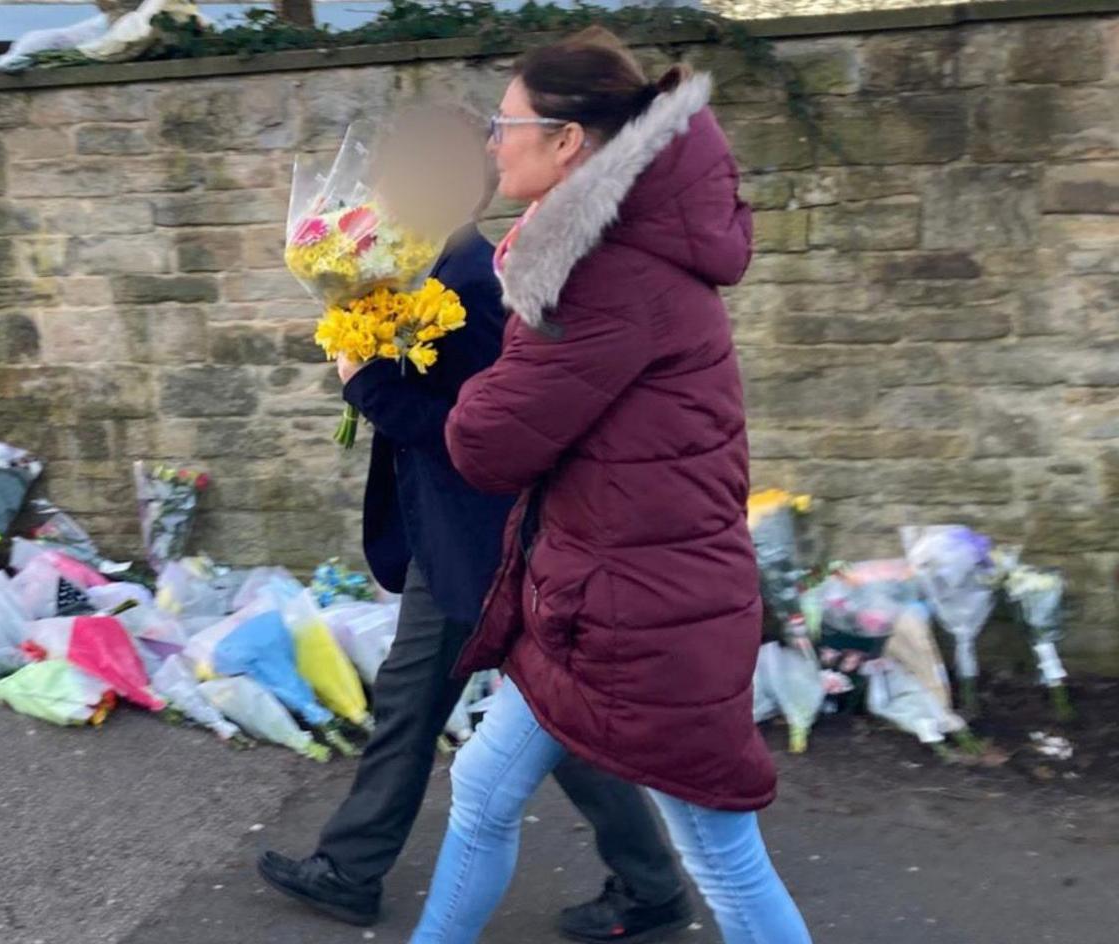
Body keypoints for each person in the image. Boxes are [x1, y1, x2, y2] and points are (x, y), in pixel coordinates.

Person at [408, 28, 813, 944]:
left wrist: (407, 369)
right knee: (481, 788)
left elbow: (487, 443)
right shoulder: (605, 247)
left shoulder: (597, 271)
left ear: (566, 142)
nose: (490, 143)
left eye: (503, 123)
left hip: (646, 613)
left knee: (719, 850)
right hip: (602, 594)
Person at [257, 105, 693, 943]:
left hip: (482, 537)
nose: (388, 191)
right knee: (516, 711)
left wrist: (366, 385)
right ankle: (648, 886)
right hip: (457, 533)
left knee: (449, 709)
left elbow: (486, 432)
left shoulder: (474, 286)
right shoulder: (415, 275)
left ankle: (352, 871)